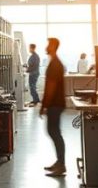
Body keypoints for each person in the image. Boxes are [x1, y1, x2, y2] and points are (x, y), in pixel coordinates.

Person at [40, 37, 66, 177]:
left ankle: (61, 165)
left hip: (55, 104)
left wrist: (44, 105)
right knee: (54, 132)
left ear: (53, 46)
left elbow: (51, 87)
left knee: (54, 132)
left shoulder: (55, 64)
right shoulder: (54, 63)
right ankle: (59, 162)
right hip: (56, 104)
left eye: (48, 44)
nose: (46, 47)